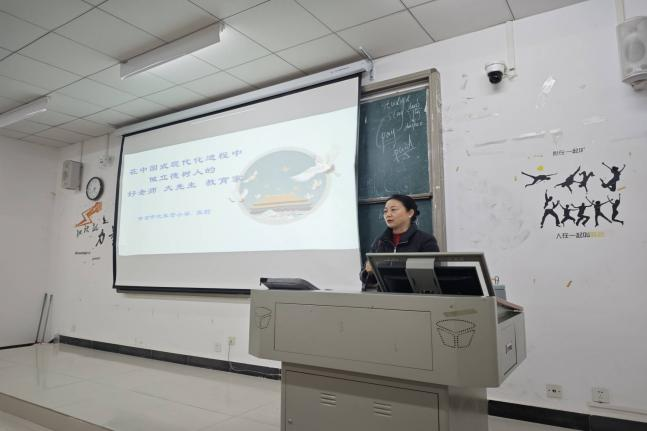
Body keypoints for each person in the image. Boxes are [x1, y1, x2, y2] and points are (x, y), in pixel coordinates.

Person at [360, 194, 439, 291]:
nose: (388, 214)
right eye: (385, 211)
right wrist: (368, 272)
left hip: (414, 297)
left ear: (410, 213)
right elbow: (366, 279)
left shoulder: (425, 240)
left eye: (393, 210)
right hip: (384, 297)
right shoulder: (380, 241)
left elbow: (433, 277)